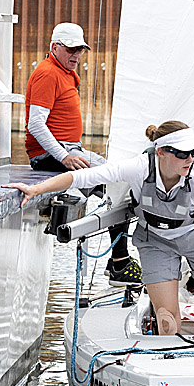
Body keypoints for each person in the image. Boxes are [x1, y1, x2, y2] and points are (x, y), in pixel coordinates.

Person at [4, 121, 194, 334]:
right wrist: (37, 189)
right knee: (168, 324)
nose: (190, 159)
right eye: (182, 154)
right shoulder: (139, 167)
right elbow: (84, 177)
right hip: (155, 241)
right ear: (161, 152)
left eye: (193, 152)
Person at [24, 22, 138, 285]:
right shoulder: (48, 74)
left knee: (121, 180)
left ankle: (119, 261)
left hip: (69, 148)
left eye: (80, 50)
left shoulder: (63, 72)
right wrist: (64, 157)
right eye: (71, 49)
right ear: (55, 47)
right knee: (117, 184)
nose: (76, 55)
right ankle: (119, 264)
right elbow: (35, 124)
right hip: (50, 155)